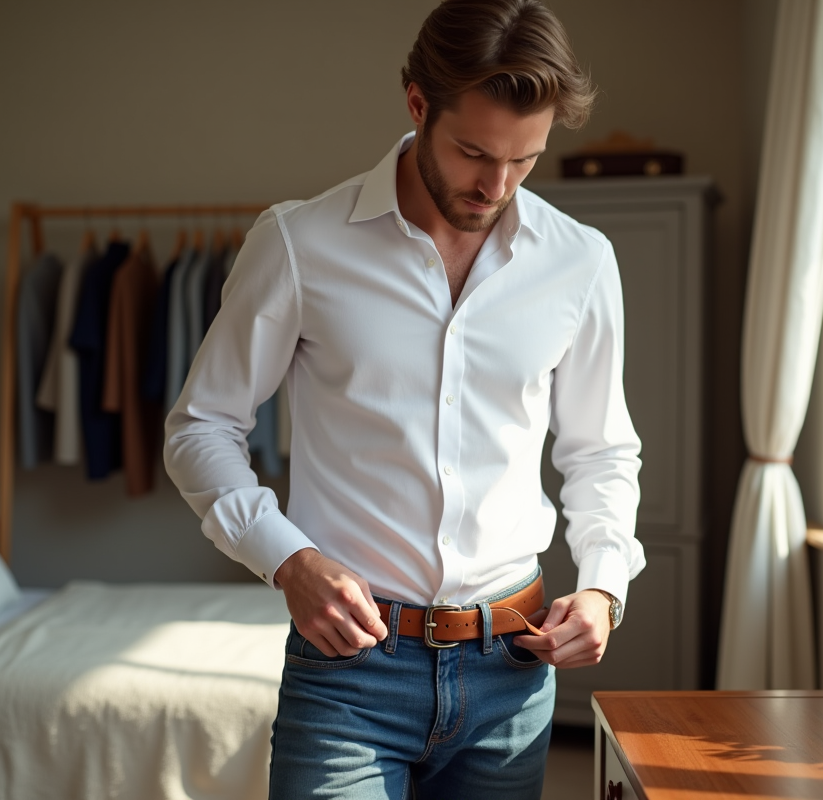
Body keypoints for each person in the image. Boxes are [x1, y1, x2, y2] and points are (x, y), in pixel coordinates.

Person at [164, 0, 644, 796]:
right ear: (418, 103)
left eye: (525, 161)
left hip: (511, 672)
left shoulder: (581, 262)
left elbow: (600, 451)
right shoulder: (299, 244)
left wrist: (602, 586)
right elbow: (202, 427)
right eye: (473, 152)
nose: (496, 185)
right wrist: (289, 561)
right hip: (350, 673)